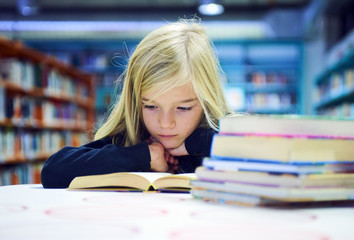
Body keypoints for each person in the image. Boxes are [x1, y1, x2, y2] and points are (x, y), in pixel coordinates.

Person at [41, 18, 233, 188]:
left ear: (207, 101)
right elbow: (53, 171)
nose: (165, 123)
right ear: (135, 101)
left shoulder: (228, 137)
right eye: (150, 106)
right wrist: (144, 156)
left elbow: (261, 156)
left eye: (183, 108)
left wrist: (200, 143)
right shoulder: (130, 140)